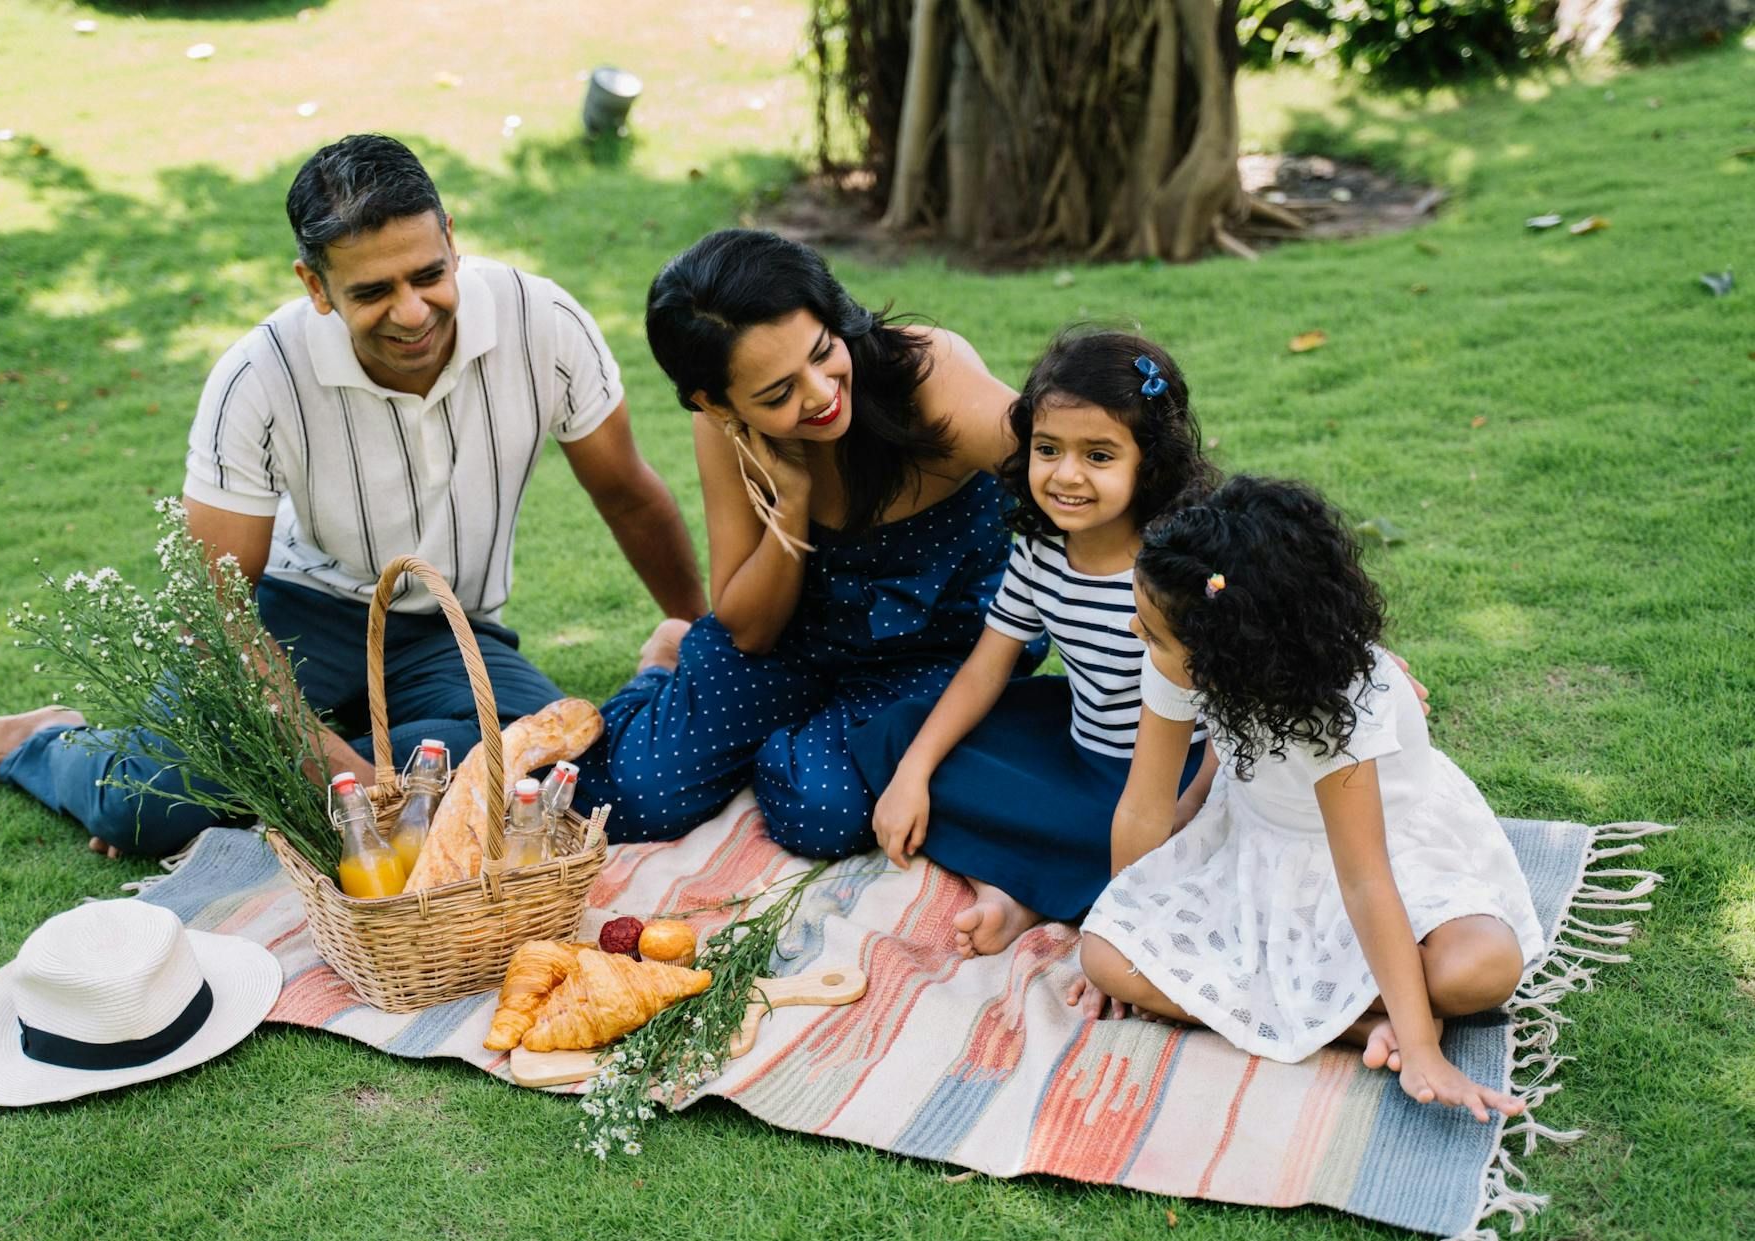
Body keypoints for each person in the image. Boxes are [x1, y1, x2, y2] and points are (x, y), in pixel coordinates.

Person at [0, 134, 705, 857]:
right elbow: (217, 615)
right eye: (372, 291)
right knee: (142, 811)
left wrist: (701, 637)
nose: (413, 311)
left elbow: (630, 495)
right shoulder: (256, 376)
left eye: (428, 274)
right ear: (316, 286)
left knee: (549, 769)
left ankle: (271, 763)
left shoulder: (544, 322)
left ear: (452, 241)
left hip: (448, 628)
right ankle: (46, 741)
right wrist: (325, 763)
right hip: (288, 614)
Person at [1078, 476, 1545, 1121]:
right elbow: (1143, 806)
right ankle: (1355, 1027)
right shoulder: (1172, 655)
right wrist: (1131, 917)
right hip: (1258, 850)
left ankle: (1387, 1018)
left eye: (1154, 631)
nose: (1136, 632)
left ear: (1229, 653)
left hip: (1378, 862)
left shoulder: (1341, 707)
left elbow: (1365, 878)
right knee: (1103, 955)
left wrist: (1422, 1051)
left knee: (1483, 968)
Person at [573, 228, 1045, 856]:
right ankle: (667, 663)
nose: (821, 394)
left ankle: (790, 733)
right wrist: (789, 508)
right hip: (793, 643)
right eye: (778, 393)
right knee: (627, 801)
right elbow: (749, 630)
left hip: (936, 647)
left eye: (823, 352)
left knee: (820, 814)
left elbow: (1066, 476)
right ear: (717, 403)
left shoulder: (929, 375)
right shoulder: (724, 430)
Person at [853, 330, 1219, 959]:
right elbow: (985, 670)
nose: (1066, 475)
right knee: (899, 738)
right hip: (1075, 745)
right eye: (1048, 449)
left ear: (1148, 463)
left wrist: (1190, 808)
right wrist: (913, 773)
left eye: (1099, 456)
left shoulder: (1184, 565)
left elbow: (1240, 708)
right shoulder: (1041, 547)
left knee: (1158, 847)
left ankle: (1022, 892)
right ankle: (1017, 888)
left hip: (1171, 780)